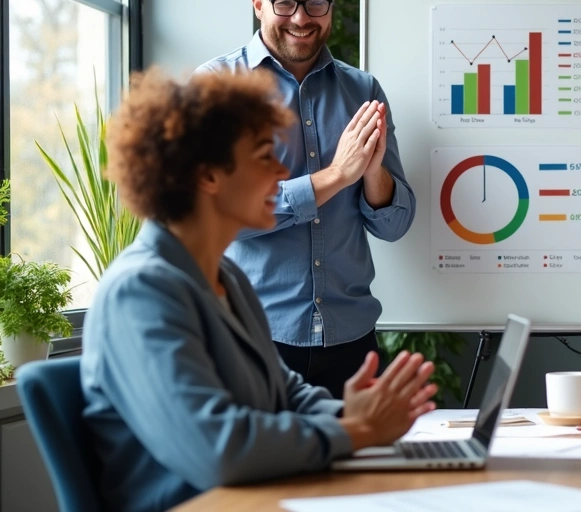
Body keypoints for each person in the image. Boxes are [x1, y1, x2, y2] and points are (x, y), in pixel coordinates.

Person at [81, 69, 437, 512]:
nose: (282, 172)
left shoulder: (226, 279)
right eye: (265, 155)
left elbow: (282, 390)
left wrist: (355, 413)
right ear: (209, 174)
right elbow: (218, 451)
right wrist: (356, 431)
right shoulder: (140, 292)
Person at [198, 0, 415, 397]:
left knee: (362, 468)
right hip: (254, 339)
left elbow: (395, 226)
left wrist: (372, 170)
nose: (301, 18)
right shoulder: (218, 88)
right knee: (267, 469)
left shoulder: (364, 91)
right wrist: (336, 175)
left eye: (316, 3)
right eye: (285, 4)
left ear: (331, 3)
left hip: (354, 341)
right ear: (258, 4)